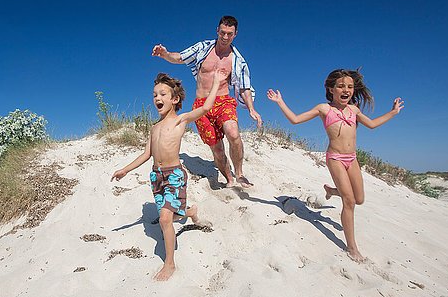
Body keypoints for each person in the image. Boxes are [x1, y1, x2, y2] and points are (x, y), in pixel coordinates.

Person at [266, 69, 404, 262]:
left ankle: (333, 190)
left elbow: (372, 124)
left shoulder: (354, 110)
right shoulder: (324, 109)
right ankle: (352, 248)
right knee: (349, 202)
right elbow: (295, 120)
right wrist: (280, 102)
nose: (345, 90)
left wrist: (393, 112)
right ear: (331, 89)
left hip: (352, 159)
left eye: (349, 86)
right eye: (340, 86)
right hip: (336, 158)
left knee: (360, 199)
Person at [111, 69, 225, 281]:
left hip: (174, 175)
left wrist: (217, 82)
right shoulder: (154, 128)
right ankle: (190, 212)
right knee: (169, 215)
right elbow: (147, 154)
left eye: (163, 94)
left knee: (164, 219)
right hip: (157, 176)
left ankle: (170, 263)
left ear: (175, 99)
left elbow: (207, 107)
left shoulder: (180, 120)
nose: (157, 98)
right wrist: (126, 169)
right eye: (155, 95)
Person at [152, 15, 262, 188]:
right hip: (201, 105)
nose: (225, 37)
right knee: (217, 149)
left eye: (230, 34)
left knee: (233, 133)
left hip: (223, 101)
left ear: (235, 35)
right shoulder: (203, 48)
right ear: (217, 31)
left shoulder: (237, 60)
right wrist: (165, 54)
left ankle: (239, 173)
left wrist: (251, 109)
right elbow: (180, 57)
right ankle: (229, 179)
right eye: (223, 33)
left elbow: (244, 87)